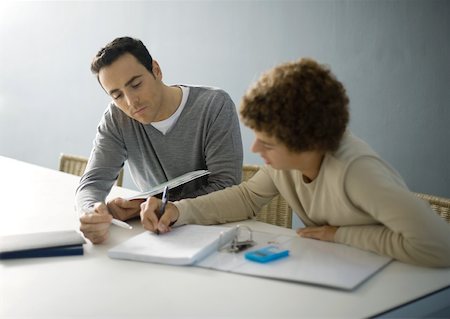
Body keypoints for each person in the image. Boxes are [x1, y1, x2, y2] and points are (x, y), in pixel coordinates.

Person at [140, 58, 450, 267]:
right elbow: (246, 198)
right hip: (338, 270)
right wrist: (180, 210)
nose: (256, 147)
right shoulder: (283, 165)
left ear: (308, 141)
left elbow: (440, 246)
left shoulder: (357, 172)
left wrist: (341, 234)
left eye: (268, 142)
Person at [77, 37, 243, 244]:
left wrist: (151, 206)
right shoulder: (117, 118)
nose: (130, 102)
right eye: (117, 95)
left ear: (156, 70)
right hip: (159, 236)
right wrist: (92, 213)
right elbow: (92, 182)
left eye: (136, 85)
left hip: (219, 231)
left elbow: (227, 187)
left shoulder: (214, 105)